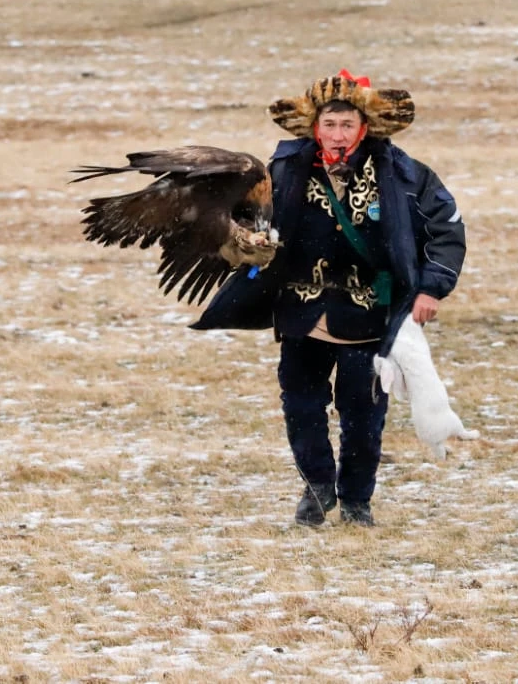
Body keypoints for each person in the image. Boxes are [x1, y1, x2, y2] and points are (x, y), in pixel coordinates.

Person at [192, 70, 466, 527]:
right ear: (314, 127)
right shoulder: (283, 170)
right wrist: (245, 245)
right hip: (301, 308)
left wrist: (430, 287)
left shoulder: (403, 174)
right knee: (300, 404)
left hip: (369, 313)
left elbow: (447, 229)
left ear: (364, 129)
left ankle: (357, 500)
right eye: (329, 124)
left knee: (362, 412)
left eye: (346, 125)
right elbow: (246, 224)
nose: (337, 134)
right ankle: (317, 486)